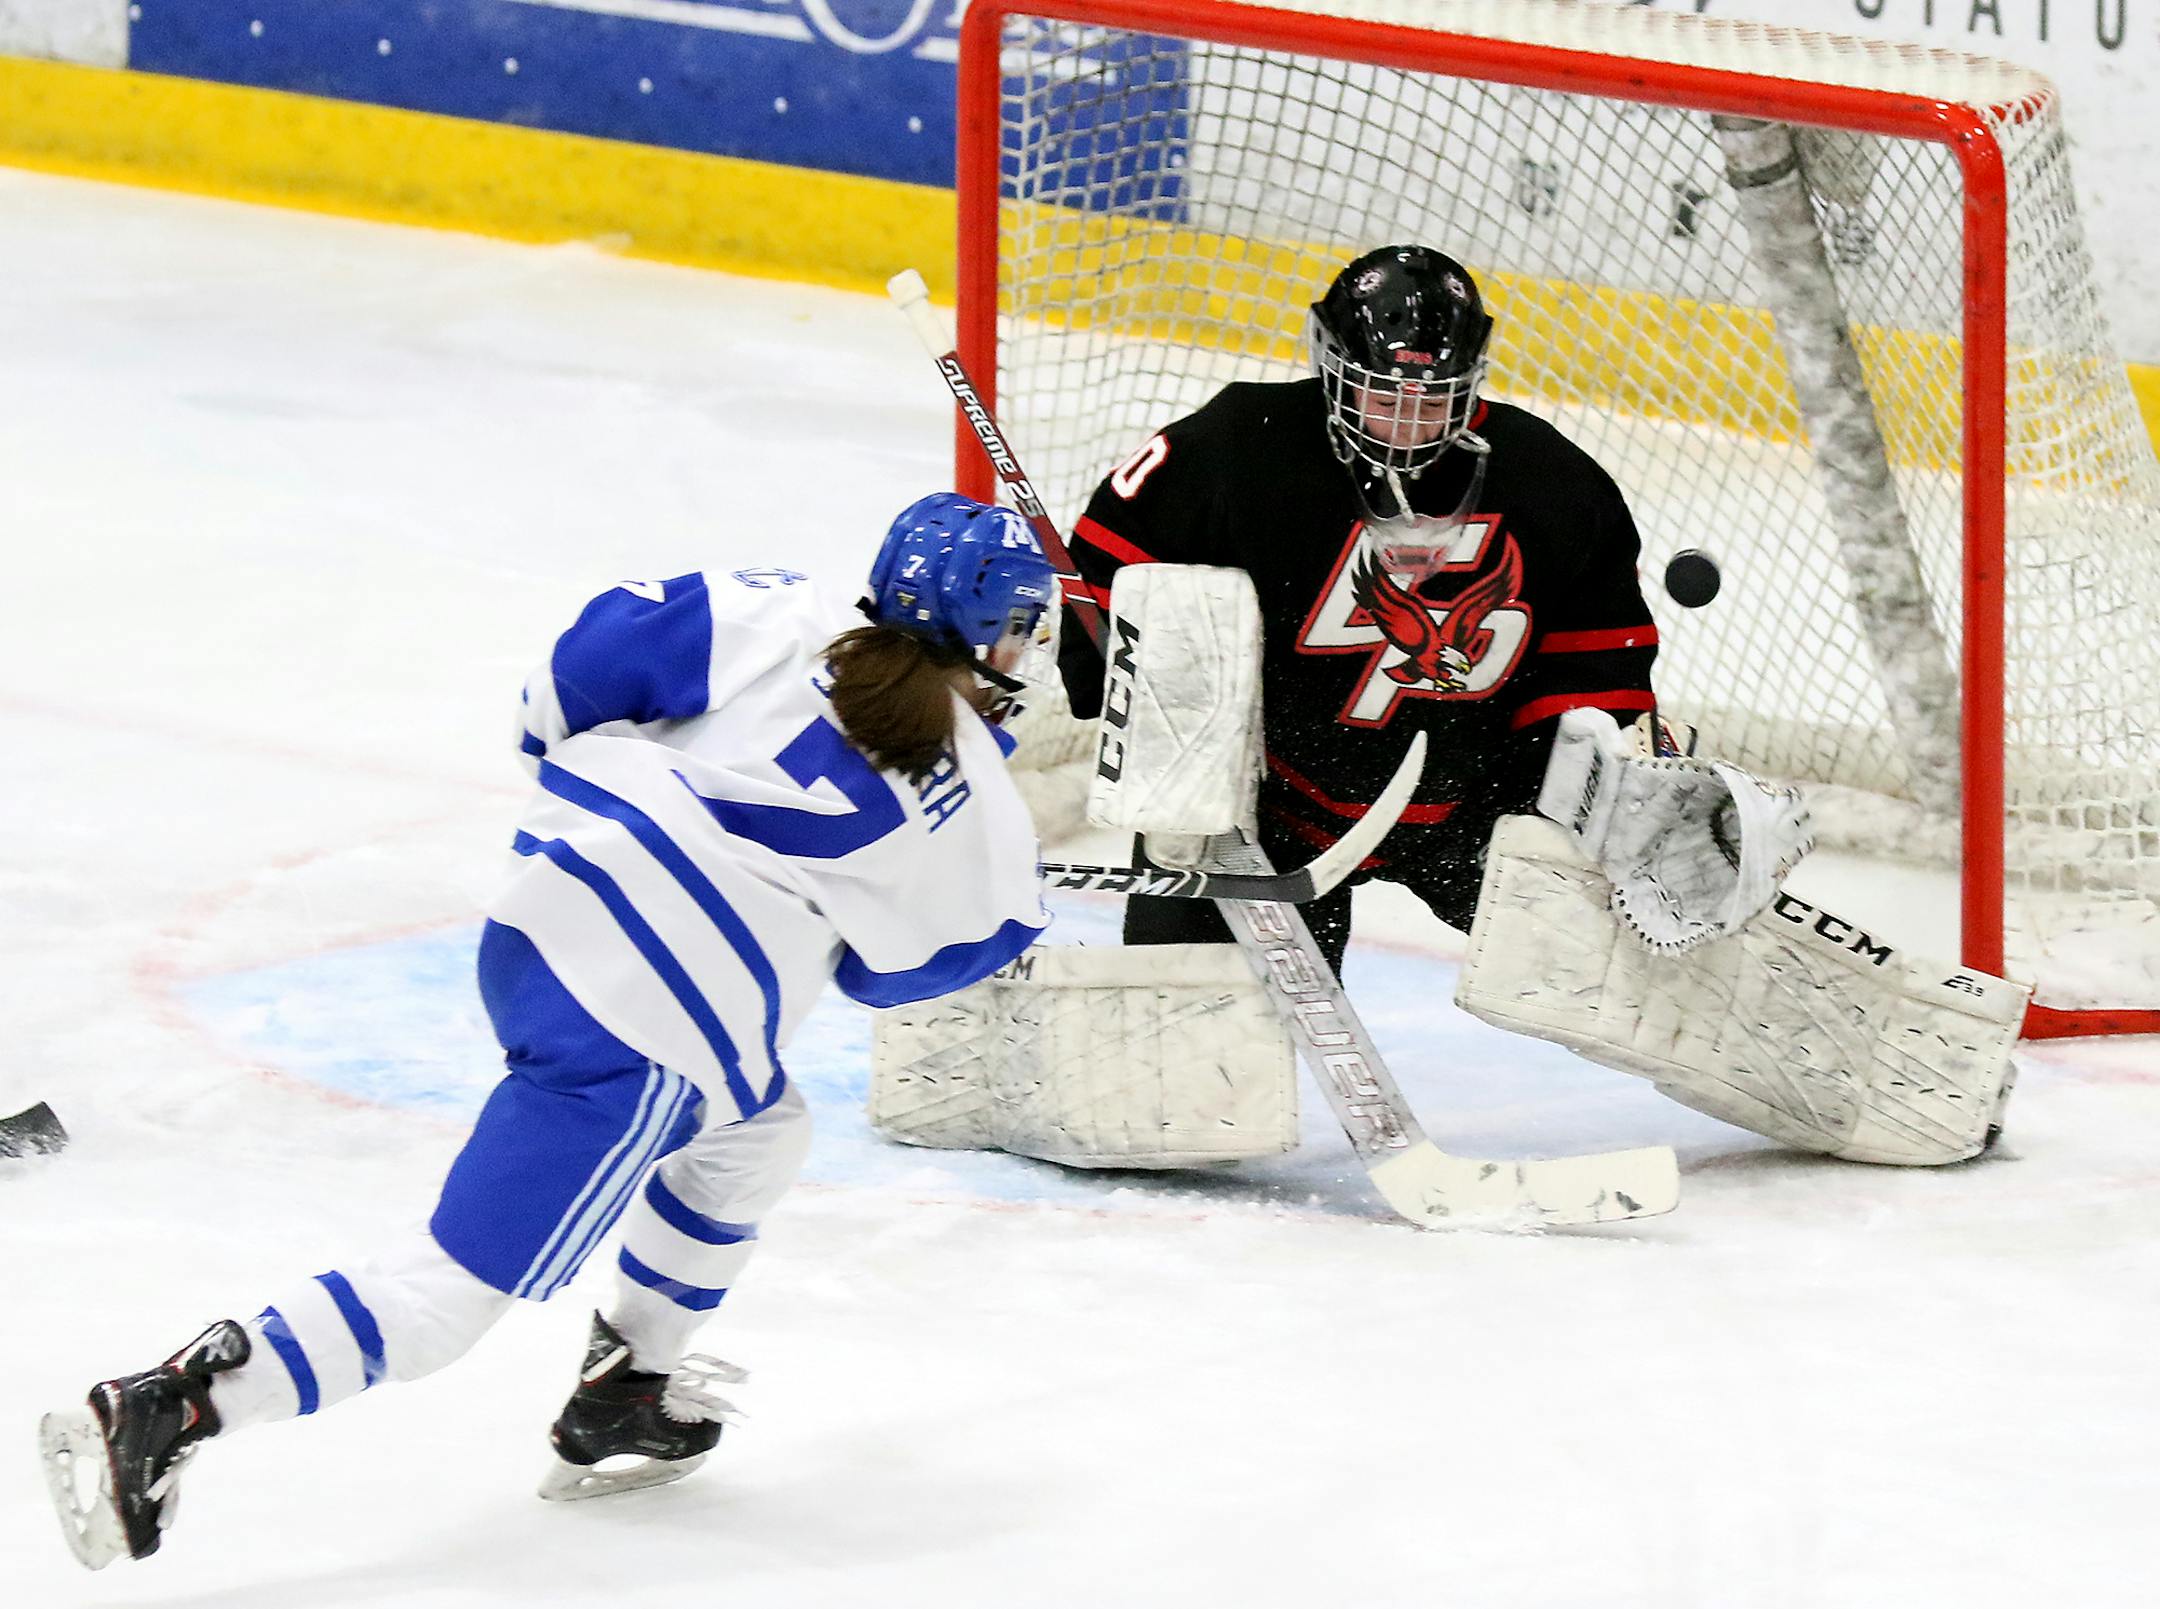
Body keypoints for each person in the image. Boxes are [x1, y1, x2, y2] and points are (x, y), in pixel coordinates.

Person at [40, 492, 1058, 1569]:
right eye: (1025, 626)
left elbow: (578, 671)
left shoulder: (770, 607)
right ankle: (173, 1404)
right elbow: (897, 978)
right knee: (445, 1298)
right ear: (994, 632)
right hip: (650, 1029)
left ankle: (628, 1388)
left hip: (545, 917)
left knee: (760, 1130)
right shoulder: (982, 805)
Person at [1058, 243, 1662, 973]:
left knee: (1636, 958)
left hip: (1472, 809)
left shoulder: (1554, 485)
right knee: (1195, 1034)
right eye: (1384, 396)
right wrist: (1109, 682)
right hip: (1261, 810)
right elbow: (1109, 560)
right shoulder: (1238, 449)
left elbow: (1597, 665)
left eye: (1434, 399)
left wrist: (1609, 779)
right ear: (1331, 366)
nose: (1409, 423)